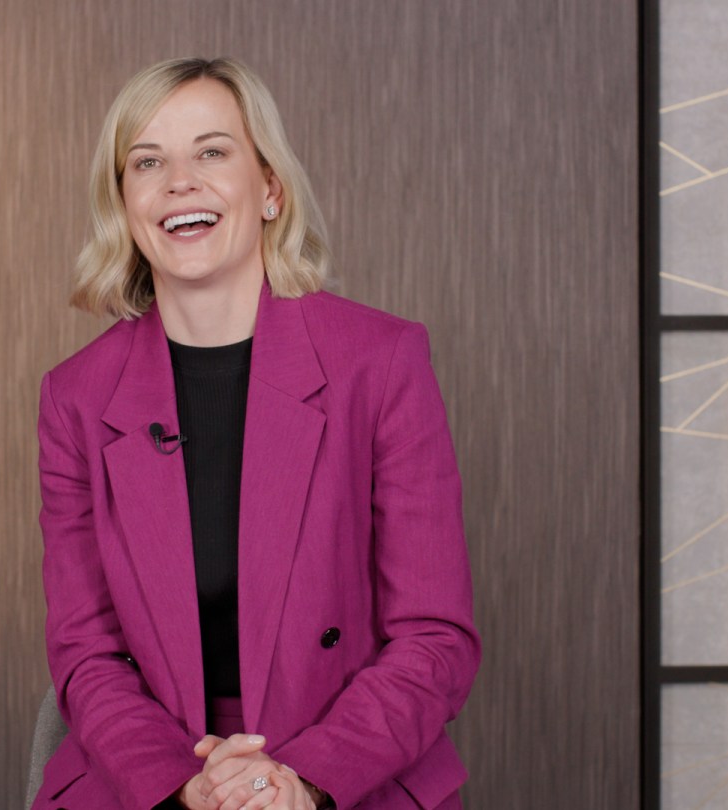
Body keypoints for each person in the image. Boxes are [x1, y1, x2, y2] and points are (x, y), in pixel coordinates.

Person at [34, 56, 480, 810]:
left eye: (212, 151)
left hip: (348, 771)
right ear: (125, 203)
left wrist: (299, 780)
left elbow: (435, 637)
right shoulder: (74, 398)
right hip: (150, 780)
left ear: (269, 189)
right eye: (148, 161)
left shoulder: (381, 361)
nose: (180, 180)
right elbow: (87, 655)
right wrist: (186, 787)